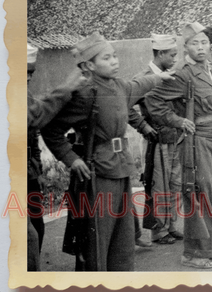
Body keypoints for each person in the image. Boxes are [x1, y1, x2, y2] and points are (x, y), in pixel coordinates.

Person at [41, 32, 173, 271]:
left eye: (115, 56)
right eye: (107, 58)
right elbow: (51, 130)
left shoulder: (119, 86)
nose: (115, 61)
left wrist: (159, 77)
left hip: (120, 169)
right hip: (97, 174)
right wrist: (71, 159)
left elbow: (138, 85)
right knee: (98, 241)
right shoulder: (84, 94)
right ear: (89, 65)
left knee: (123, 239)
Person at [145, 22, 212, 269]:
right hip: (197, 140)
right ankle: (194, 253)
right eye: (195, 43)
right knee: (199, 193)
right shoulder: (184, 74)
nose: (201, 47)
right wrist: (178, 121)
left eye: (204, 42)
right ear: (187, 47)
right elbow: (154, 99)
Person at [27, 44, 88, 271]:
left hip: (28, 174)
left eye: (31, 73)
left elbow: (32, 136)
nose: (27, 79)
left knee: (37, 226)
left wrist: (38, 172)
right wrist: (65, 89)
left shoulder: (25, 94)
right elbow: (36, 120)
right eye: (22, 72)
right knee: (28, 238)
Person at [133, 33, 184, 245]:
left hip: (174, 137)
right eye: (171, 55)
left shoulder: (170, 75)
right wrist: (143, 126)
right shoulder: (143, 77)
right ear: (160, 53)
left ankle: (171, 225)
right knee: (158, 185)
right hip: (156, 138)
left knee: (175, 183)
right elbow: (125, 105)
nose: (174, 58)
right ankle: (158, 230)